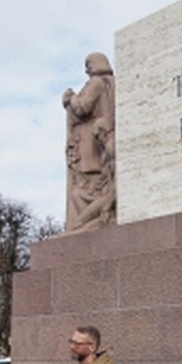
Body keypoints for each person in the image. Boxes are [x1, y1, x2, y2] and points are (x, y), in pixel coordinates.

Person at [63, 52, 117, 232]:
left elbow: (83, 107)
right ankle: (82, 224)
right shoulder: (107, 83)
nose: (87, 69)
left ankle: (83, 224)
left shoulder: (96, 83)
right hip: (95, 140)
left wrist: (71, 99)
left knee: (87, 185)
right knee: (83, 189)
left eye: (89, 64)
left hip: (91, 143)